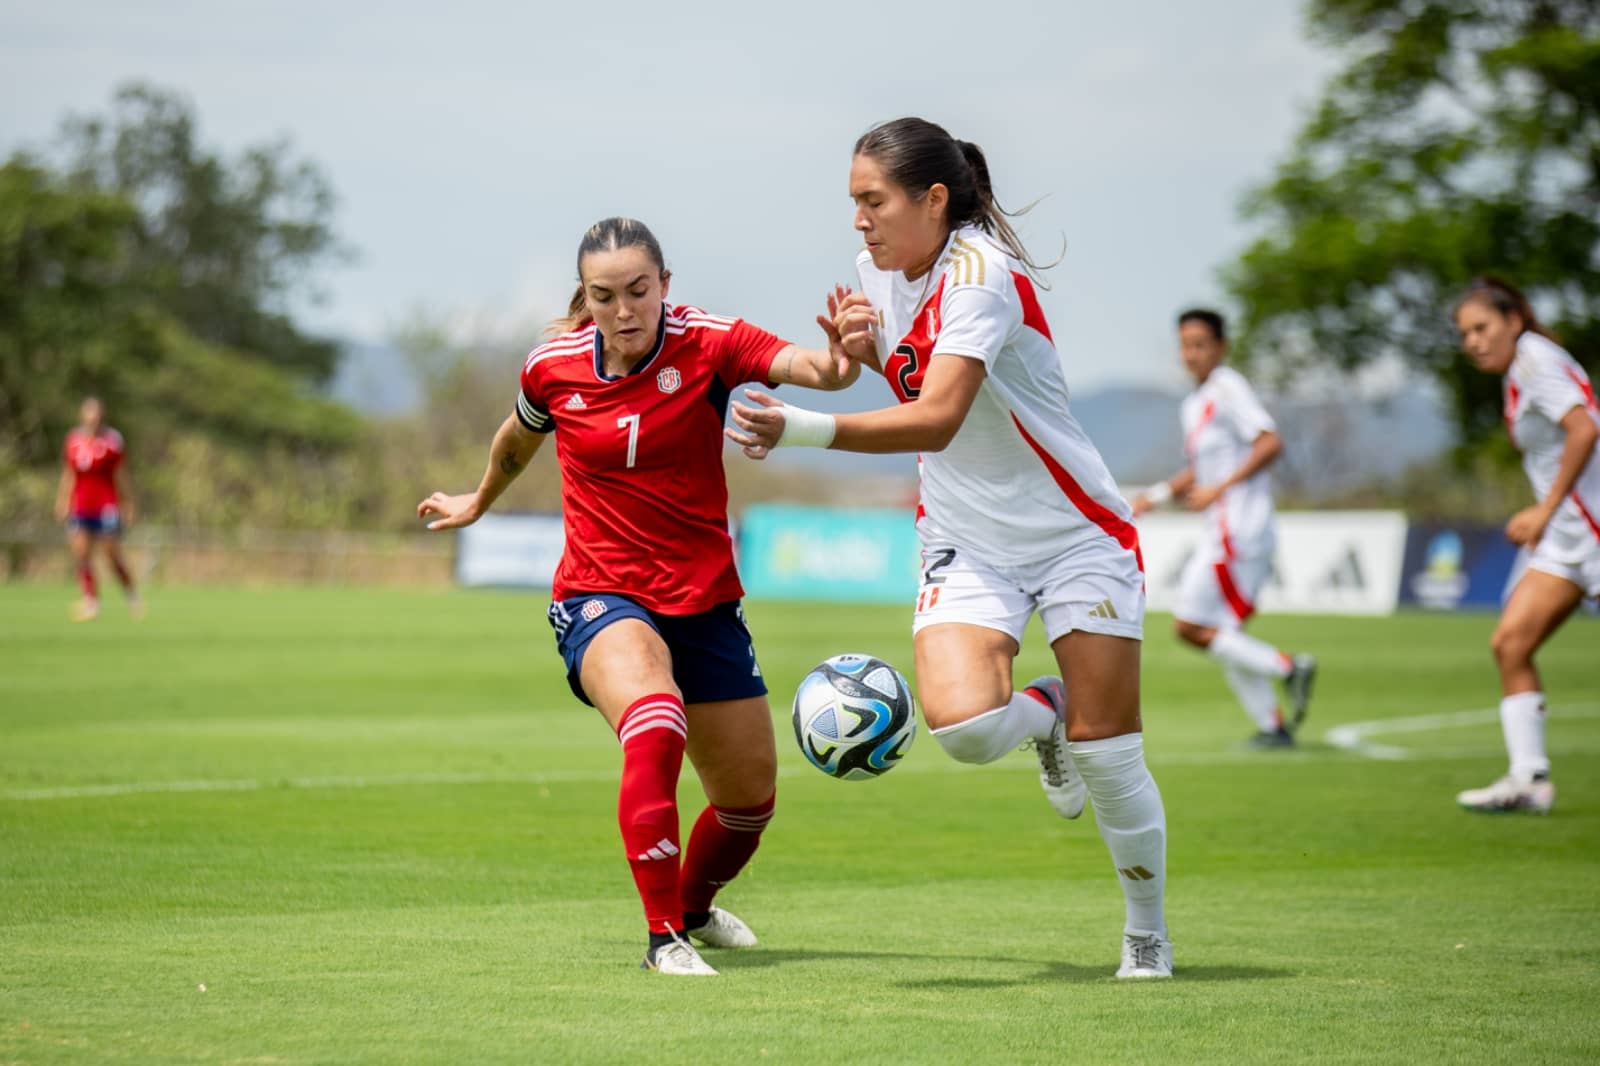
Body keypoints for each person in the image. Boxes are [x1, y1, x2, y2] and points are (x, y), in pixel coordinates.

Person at [727, 118, 1173, 978]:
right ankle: (1046, 713)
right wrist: (859, 353)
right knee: (967, 729)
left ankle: (1146, 932)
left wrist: (803, 429)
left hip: (1075, 532)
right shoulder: (881, 269)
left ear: (934, 200)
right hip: (968, 536)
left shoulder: (983, 275)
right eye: (852, 202)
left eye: (873, 201)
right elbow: (905, 376)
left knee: (1112, 754)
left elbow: (937, 414)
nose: (859, 221)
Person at [418, 217, 860, 975]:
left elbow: (816, 369)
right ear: (584, 298)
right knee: (656, 721)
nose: (623, 310)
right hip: (600, 594)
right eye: (604, 296)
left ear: (664, 286)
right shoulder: (552, 365)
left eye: (638, 291)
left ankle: (693, 907)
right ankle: (665, 939)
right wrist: (479, 500)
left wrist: (845, 357)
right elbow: (517, 438)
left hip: (706, 600)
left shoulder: (711, 342)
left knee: (749, 803)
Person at [1129, 310, 1316, 747]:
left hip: (1241, 529)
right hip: (1223, 528)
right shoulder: (1194, 405)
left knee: (1190, 625)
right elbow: (1199, 469)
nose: (1191, 354)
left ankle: (1287, 666)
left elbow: (1269, 440)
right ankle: (1272, 727)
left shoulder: (1227, 387)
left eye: (1200, 344)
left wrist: (1221, 489)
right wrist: (1154, 497)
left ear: (1220, 347)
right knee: (1222, 635)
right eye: (1185, 344)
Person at [1452, 276, 1600, 815]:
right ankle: (1528, 780)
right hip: (1566, 543)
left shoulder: (1536, 361)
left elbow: (1586, 428)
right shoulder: (1522, 368)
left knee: (1512, 643)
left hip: (1592, 531)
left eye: (1482, 327)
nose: (1473, 341)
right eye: (1466, 333)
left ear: (1514, 320)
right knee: (1511, 643)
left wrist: (1544, 507)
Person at [54, 396, 142, 622]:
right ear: (83, 417)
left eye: (97, 416)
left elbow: (120, 474)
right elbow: (69, 473)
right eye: (89, 416)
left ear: (102, 417)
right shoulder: (73, 440)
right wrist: (63, 499)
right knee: (81, 552)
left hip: (107, 504)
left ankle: (131, 594)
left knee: (111, 553)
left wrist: (128, 501)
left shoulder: (112, 441)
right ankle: (91, 601)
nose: (93, 421)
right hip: (81, 504)